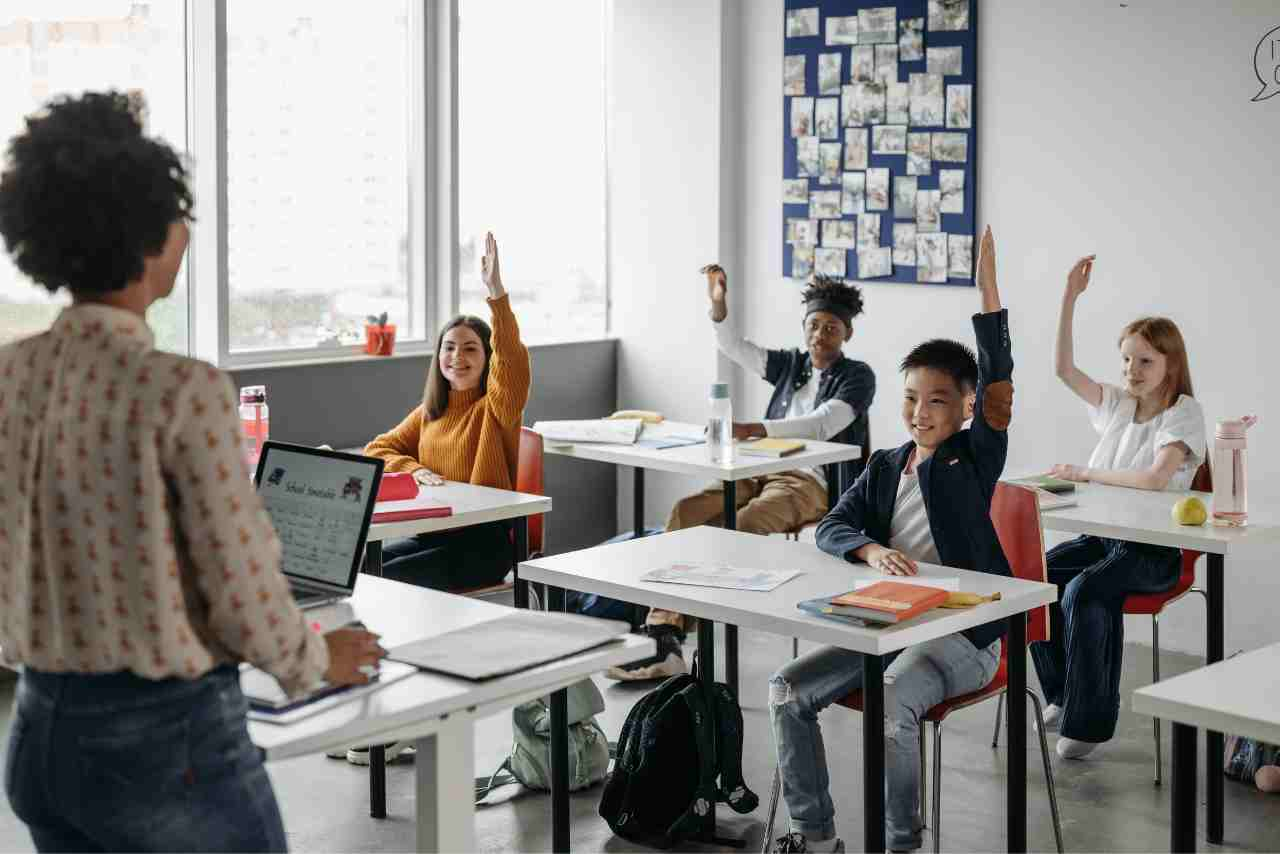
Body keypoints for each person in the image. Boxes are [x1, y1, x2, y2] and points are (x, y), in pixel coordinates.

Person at [0, 90, 383, 853]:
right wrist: (315, 661)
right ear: (151, 238)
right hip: (163, 746)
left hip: (38, 728)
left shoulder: (11, 376)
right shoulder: (182, 391)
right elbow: (240, 583)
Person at [767, 227, 1012, 854]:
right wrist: (870, 550)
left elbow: (998, 385)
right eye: (910, 398)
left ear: (964, 408)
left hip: (964, 632)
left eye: (937, 400)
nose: (920, 412)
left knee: (892, 704)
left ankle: (900, 842)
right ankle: (815, 836)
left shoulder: (973, 458)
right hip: (886, 622)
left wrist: (988, 294)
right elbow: (831, 527)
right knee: (787, 690)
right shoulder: (883, 466)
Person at [610, 267, 876, 681]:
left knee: (742, 523)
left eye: (831, 327)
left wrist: (756, 428)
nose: (820, 335)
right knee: (688, 511)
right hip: (758, 467)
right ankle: (664, 632)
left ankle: (669, 635)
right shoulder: (792, 365)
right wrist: (718, 306)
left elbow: (824, 423)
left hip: (810, 482)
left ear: (847, 334)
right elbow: (735, 347)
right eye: (814, 325)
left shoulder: (858, 376)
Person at [1030, 255, 1207, 760]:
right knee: (1036, 579)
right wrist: (1069, 297)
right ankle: (1064, 697)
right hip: (1103, 538)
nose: (1132, 370)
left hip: (1153, 551)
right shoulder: (1117, 405)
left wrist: (1086, 474)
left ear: (1171, 364)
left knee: (1086, 591)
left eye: (1146, 361)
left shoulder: (1183, 414)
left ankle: (1086, 726)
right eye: (1127, 359)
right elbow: (1063, 369)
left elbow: (1154, 479)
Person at [363, 232, 530, 594]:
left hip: (482, 548)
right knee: (356, 569)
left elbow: (513, 362)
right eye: (449, 347)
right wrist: (415, 469)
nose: (457, 357)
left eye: (471, 349)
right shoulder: (431, 411)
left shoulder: (497, 408)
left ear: (488, 359)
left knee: (381, 584)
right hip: (433, 536)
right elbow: (377, 449)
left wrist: (497, 294)